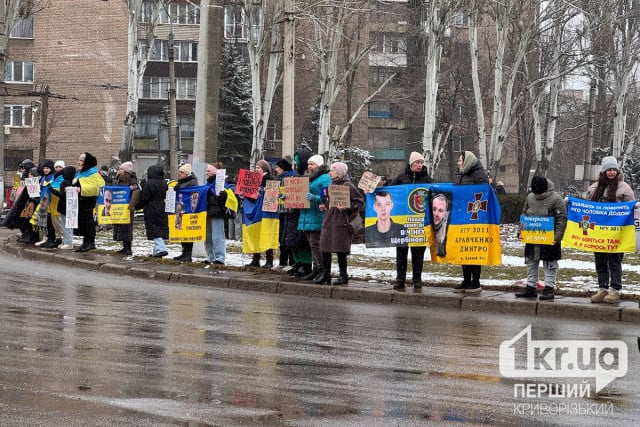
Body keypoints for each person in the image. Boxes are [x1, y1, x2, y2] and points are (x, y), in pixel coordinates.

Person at [586, 156, 634, 304]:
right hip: (598, 233)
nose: (612, 172)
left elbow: (631, 209)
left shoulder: (624, 188)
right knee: (600, 260)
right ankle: (603, 288)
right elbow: (586, 208)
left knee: (614, 261)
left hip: (617, 233)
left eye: (614, 170)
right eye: (609, 170)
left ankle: (615, 289)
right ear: (604, 171)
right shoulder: (594, 188)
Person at [515, 176, 567, 301]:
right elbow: (524, 214)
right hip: (532, 237)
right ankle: (530, 288)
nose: (537, 196)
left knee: (550, 264)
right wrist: (520, 231)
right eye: (535, 193)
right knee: (531, 262)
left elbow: (562, 219)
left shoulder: (557, 199)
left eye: (540, 193)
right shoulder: (530, 197)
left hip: (550, 239)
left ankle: (549, 288)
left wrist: (557, 237)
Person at [314, 162, 365, 285]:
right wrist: (325, 206)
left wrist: (347, 207)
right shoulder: (332, 185)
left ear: (340, 172)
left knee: (340, 250)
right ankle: (326, 274)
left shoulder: (348, 185)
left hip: (342, 221)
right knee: (325, 248)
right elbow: (331, 202)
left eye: (333, 170)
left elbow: (359, 203)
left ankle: (343, 275)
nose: (330, 172)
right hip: (330, 219)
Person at [389, 151, 433, 290]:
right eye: (417, 163)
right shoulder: (401, 179)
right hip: (402, 223)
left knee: (418, 253)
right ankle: (400, 279)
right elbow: (388, 191)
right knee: (401, 252)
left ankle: (417, 279)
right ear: (411, 164)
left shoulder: (428, 181)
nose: (419, 165)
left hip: (419, 223)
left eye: (421, 162)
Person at [452, 151, 488, 293]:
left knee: (474, 250)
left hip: (476, 218)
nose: (458, 163)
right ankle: (466, 280)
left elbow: (483, 194)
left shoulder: (479, 175)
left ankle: (476, 281)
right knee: (464, 250)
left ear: (467, 162)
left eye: (460, 160)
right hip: (463, 218)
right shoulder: (461, 174)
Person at [298, 154, 331, 281]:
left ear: (319, 165)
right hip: (307, 215)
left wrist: (314, 198)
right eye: (308, 164)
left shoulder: (324, 178)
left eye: (312, 164)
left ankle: (322, 270)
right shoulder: (309, 178)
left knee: (316, 244)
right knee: (312, 245)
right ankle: (316, 269)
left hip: (317, 216)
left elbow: (328, 197)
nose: (309, 166)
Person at [245, 159, 275, 269]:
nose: (256, 170)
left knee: (266, 234)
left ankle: (269, 260)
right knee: (255, 234)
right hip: (255, 211)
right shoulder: (253, 180)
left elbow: (272, 198)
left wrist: (265, 191)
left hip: (266, 212)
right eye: (256, 167)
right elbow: (253, 197)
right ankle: (255, 258)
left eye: (259, 168)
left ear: (265, 169)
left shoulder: (270, 180)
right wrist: (245, 194)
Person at [73, 152, 105, 252]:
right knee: (82, 221)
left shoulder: (93, 173)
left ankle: (90, 242)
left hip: (88, 200)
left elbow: (97, 186)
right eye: (79, 160)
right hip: (80, 200)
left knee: (88, 221)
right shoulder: (80, 172)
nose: (79, 162)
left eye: (82, 160)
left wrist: (81, 190)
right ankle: (85, 241)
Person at [136, 165, 169, 257]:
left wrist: (138, 206)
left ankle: (161, 248)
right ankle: (156, 252)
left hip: (151, 208)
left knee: (153, 229)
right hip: (162, 206)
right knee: (159, 227)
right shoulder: (164, 183)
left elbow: (144, 197)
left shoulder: (148, 184)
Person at [173, 163, 198, 262]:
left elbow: (193, 194)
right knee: (182, 231)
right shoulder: (181, 182)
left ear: (187, 174)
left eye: (182, 172)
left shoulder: (192, 182)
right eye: (179, 172)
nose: (180, 174)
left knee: (188, 232)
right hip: (180, 209)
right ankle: (184, 252)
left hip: (188, 210)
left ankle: (188, 254)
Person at [204, 163, 228, 266]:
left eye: (208, 171)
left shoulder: (221, 183)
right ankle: (211, 257)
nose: (206, 173)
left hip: (217, 212)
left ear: (214, 172)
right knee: (208, 237)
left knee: (218, 236)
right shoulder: (206, 184)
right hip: (207, 212)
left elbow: (228, 193)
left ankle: (220, 257)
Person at [112, 161, 138, 256]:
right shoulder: (119, 178)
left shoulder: (131, 177)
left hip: (127, 206)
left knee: (126, 227)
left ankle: (128, 248)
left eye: (121, 169)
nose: (119, 170)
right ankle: (124, 246)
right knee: (121, 226)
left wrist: (130, 189)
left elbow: (136, 188)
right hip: (120, 205)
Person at [50, 165, 77, 250]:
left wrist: (52, 190)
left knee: (65, 225)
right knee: (70, 225)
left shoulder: (64, 182)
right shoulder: (75, 182)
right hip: (72, 206)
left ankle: (68, 242)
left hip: (63, 206)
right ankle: (68, 241)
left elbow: (62, 195)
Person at [431, 192, 450, 257]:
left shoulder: (448, 230)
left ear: (445, 213)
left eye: (440, 211)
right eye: (434, 209)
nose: (436, 214)